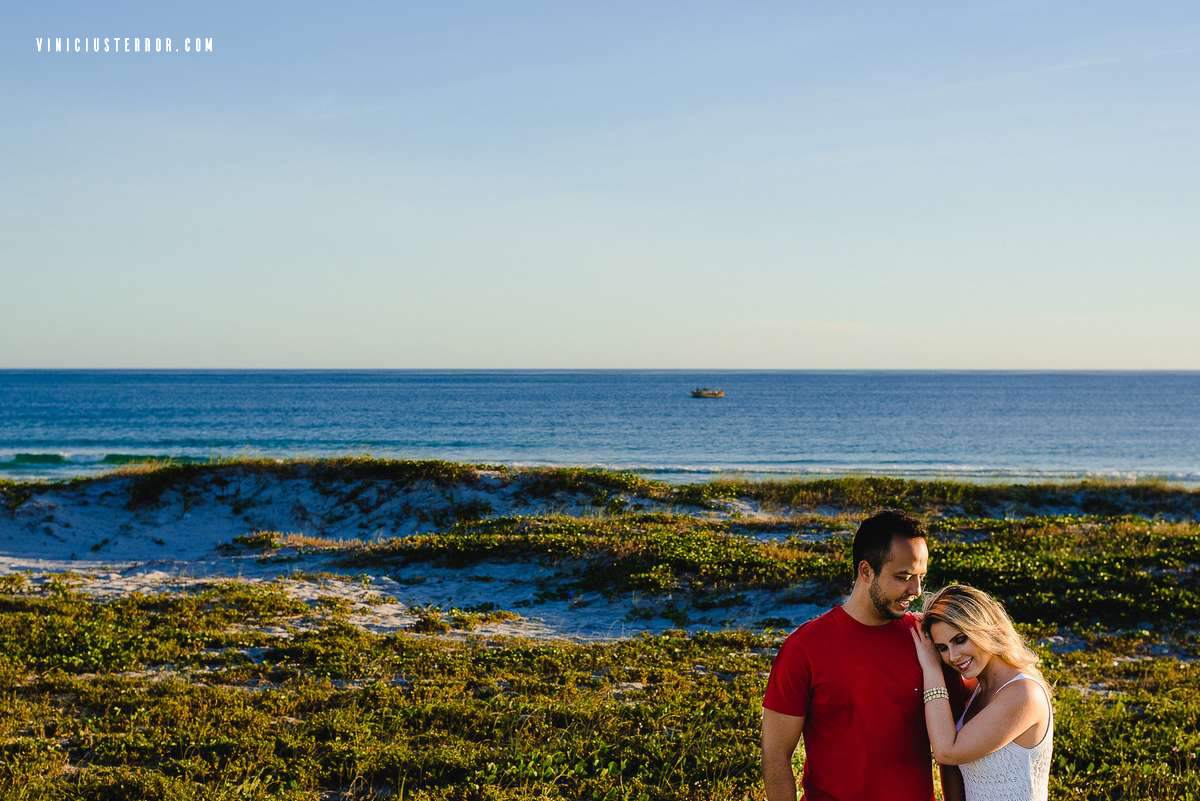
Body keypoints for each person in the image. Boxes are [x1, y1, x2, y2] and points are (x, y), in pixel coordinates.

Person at [761, 510, 971, 801]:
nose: (917, 590)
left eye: (920, 577)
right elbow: (775, 755)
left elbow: (956, 746)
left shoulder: (930, 640)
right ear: (866, 571)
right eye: (904, 577)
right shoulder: (804, 648)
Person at [910, 584, 1053, 801]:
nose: (953, 656)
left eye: (960, 639)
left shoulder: (1024, 694)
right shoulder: (978, 690)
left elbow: (947, 751)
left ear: (984, 627)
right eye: (942, 648)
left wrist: (932, 668)